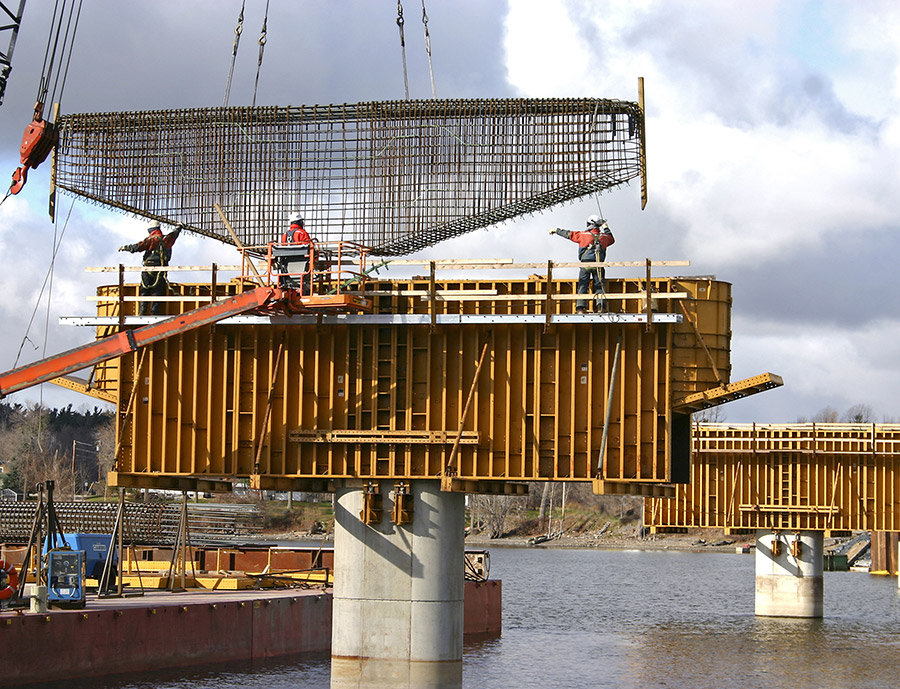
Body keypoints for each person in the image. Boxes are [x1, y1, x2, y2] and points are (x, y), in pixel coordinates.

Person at [548, 214, 615, 313]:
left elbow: (568, 234)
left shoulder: (582, 235)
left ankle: (580, 308)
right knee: (599, 286)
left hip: (585, 265)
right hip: (598, 265)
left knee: (583, 285)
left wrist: (555, 230)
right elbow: (612, 239)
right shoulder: (605, 237)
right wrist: (605, 226)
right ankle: (600, 307)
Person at [118, 221, 182, 315]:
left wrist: (126, 247)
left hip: (148, 268)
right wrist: (179, 227)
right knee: (158, 290)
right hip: (161, 269)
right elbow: (174, 234)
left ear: (151, 230)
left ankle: (142, 312)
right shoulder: (167, 239)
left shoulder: (153, 239)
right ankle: (154, 312)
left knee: (144, 289)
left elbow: (139, 246)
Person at [276, 211, 312, 292]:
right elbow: (309, 246)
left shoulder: (285, 235)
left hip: (287, 266)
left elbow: (283, 248)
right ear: (299, 222)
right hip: (301, 266)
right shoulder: (302, 233)